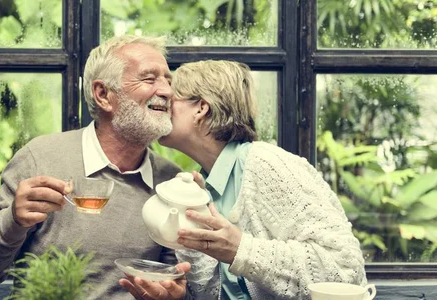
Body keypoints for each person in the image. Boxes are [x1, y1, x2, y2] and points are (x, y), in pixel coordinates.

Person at [0, 35, 190, 299]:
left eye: (167, 80)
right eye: (150, 79)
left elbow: (175, 279)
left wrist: (174, 295)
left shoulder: (172, 183)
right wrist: (14, 220)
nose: (167, 91)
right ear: (103, 95)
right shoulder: (41, 157)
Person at [155, 60, 367, 299]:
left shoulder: (267, 164)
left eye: (170, 100)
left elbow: (345, 269)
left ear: (201, 108)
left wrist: (240, 249)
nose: (161, 106)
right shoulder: (201, 187)